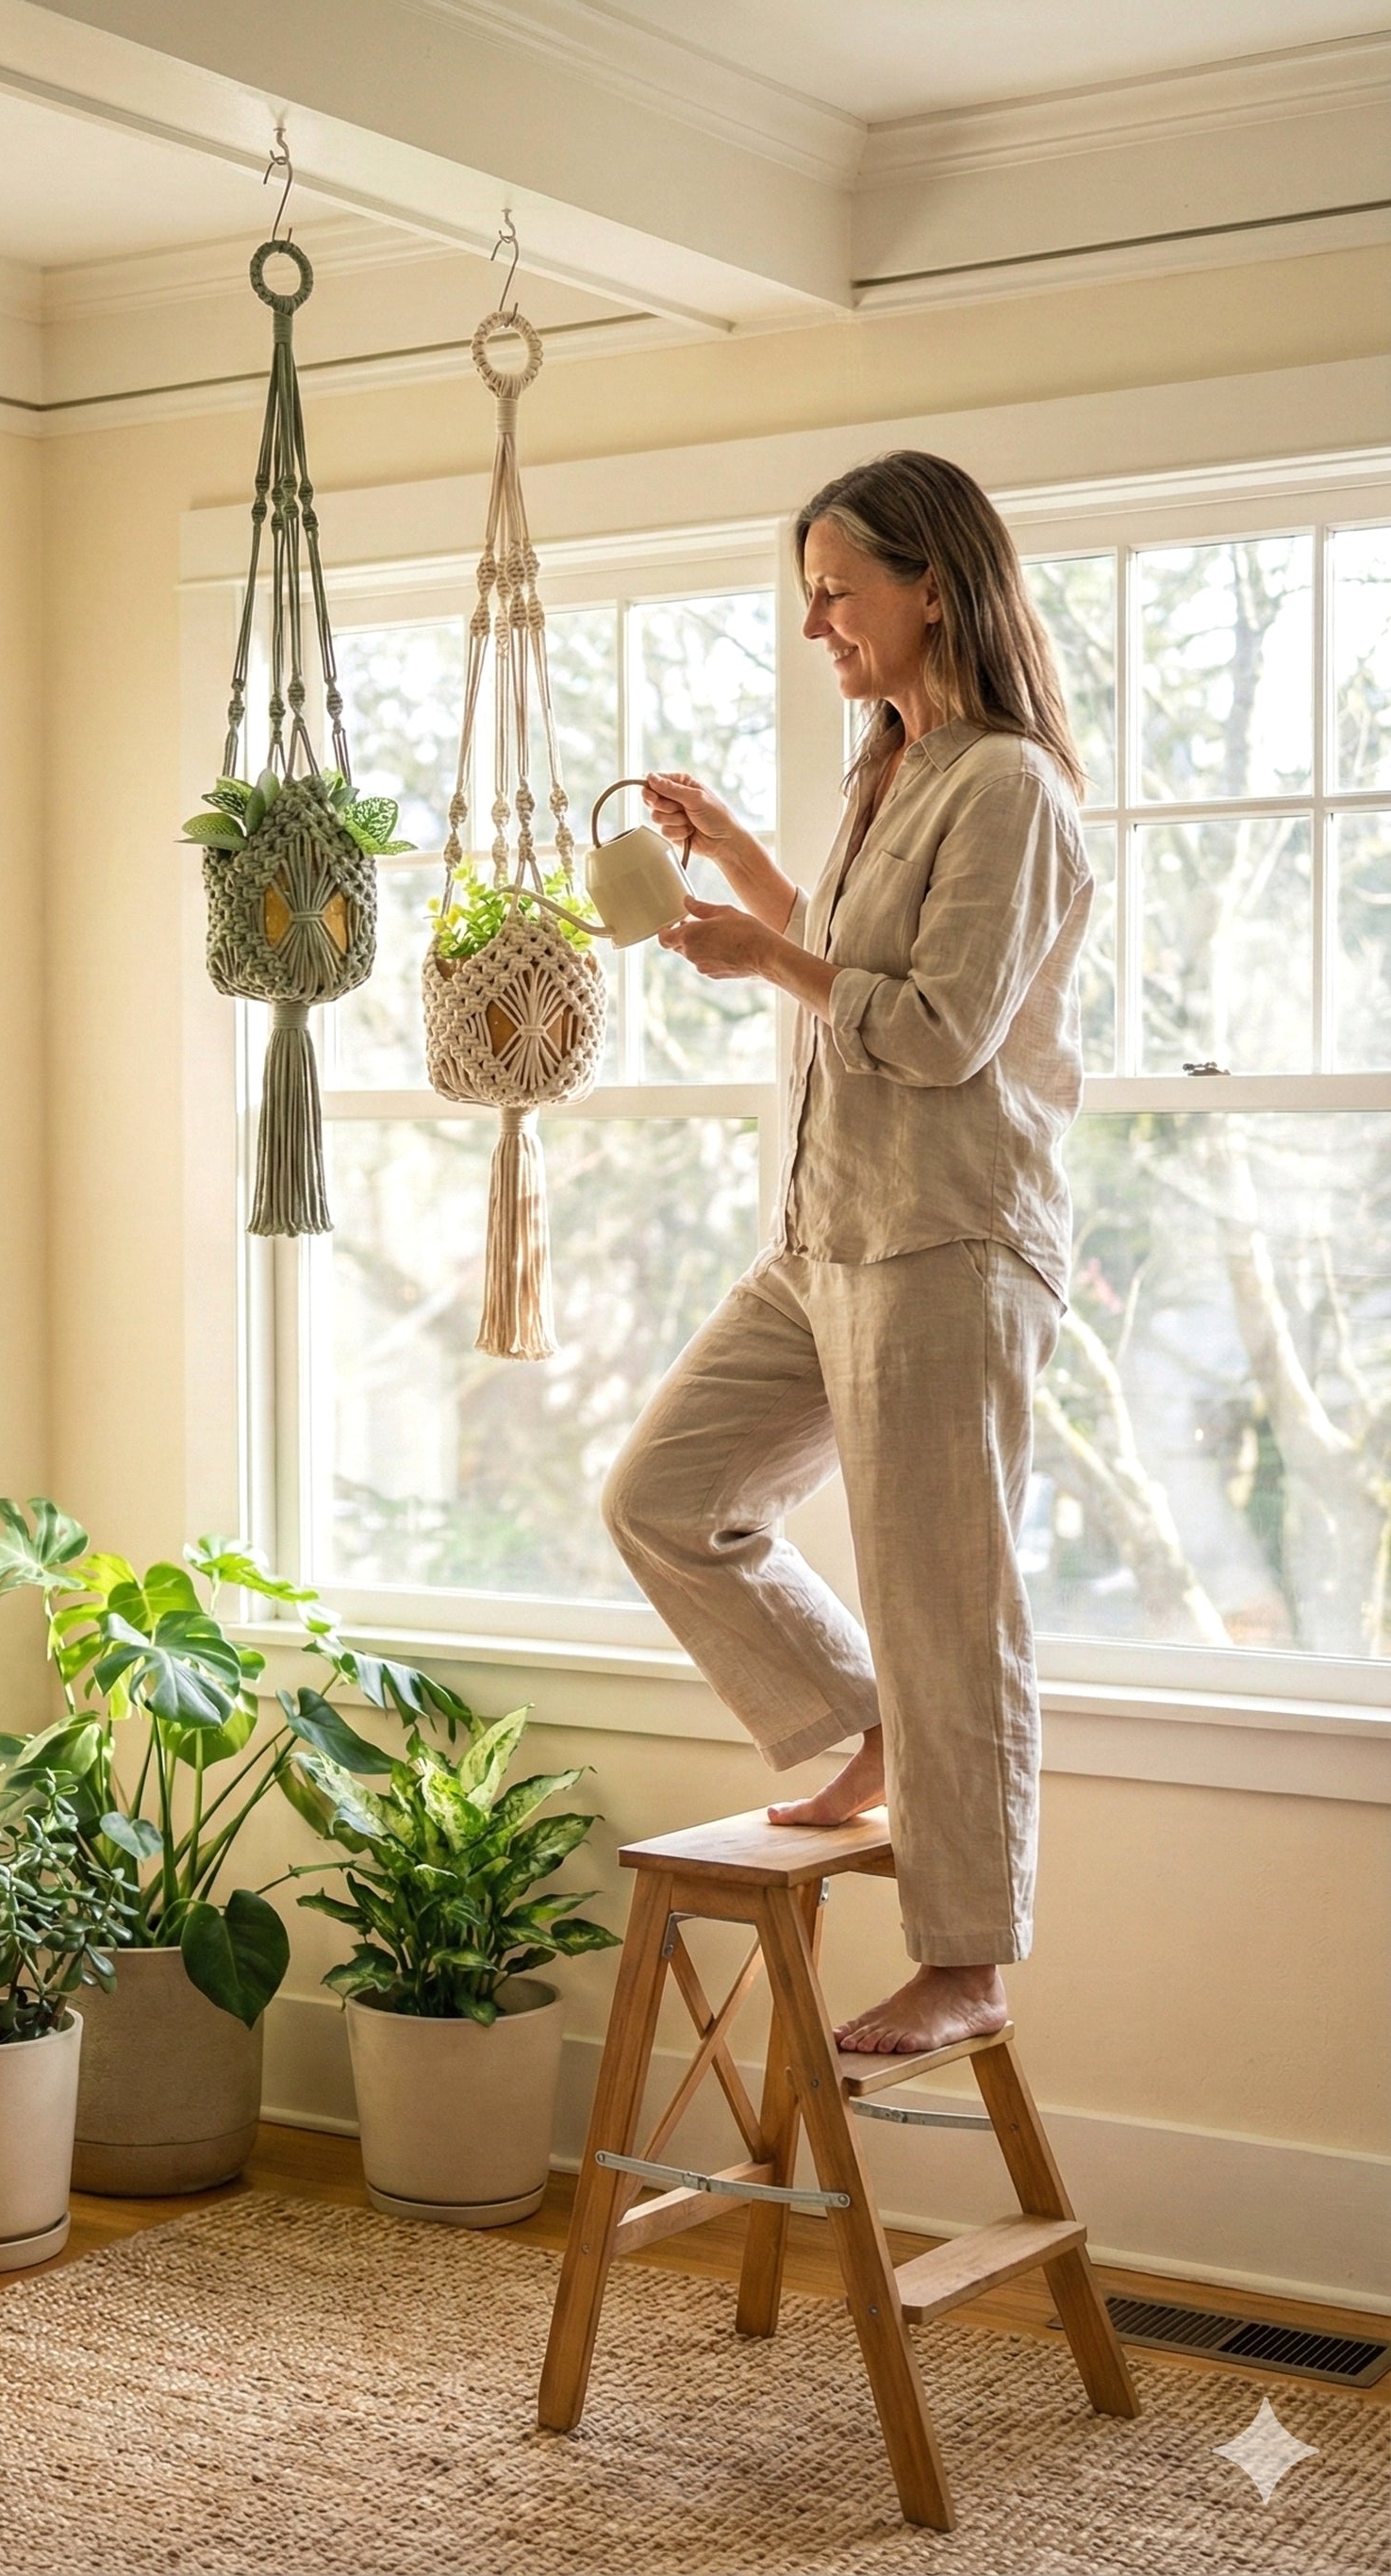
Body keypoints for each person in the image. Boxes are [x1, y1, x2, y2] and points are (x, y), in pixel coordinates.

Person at [601, 448, 1090, 2056]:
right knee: (667, 1496)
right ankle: (867, 1721)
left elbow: (942, 1029)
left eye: (836, 590)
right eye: (808, 593)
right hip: (829, 1238)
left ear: (930, 583)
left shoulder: (1009, 783)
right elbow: (851, 943)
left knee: (950, 1596)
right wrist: (743, 864)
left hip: (949, 1241)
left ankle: (968, 1957)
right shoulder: (894, 772)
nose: (816, 622)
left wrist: (767, 960)